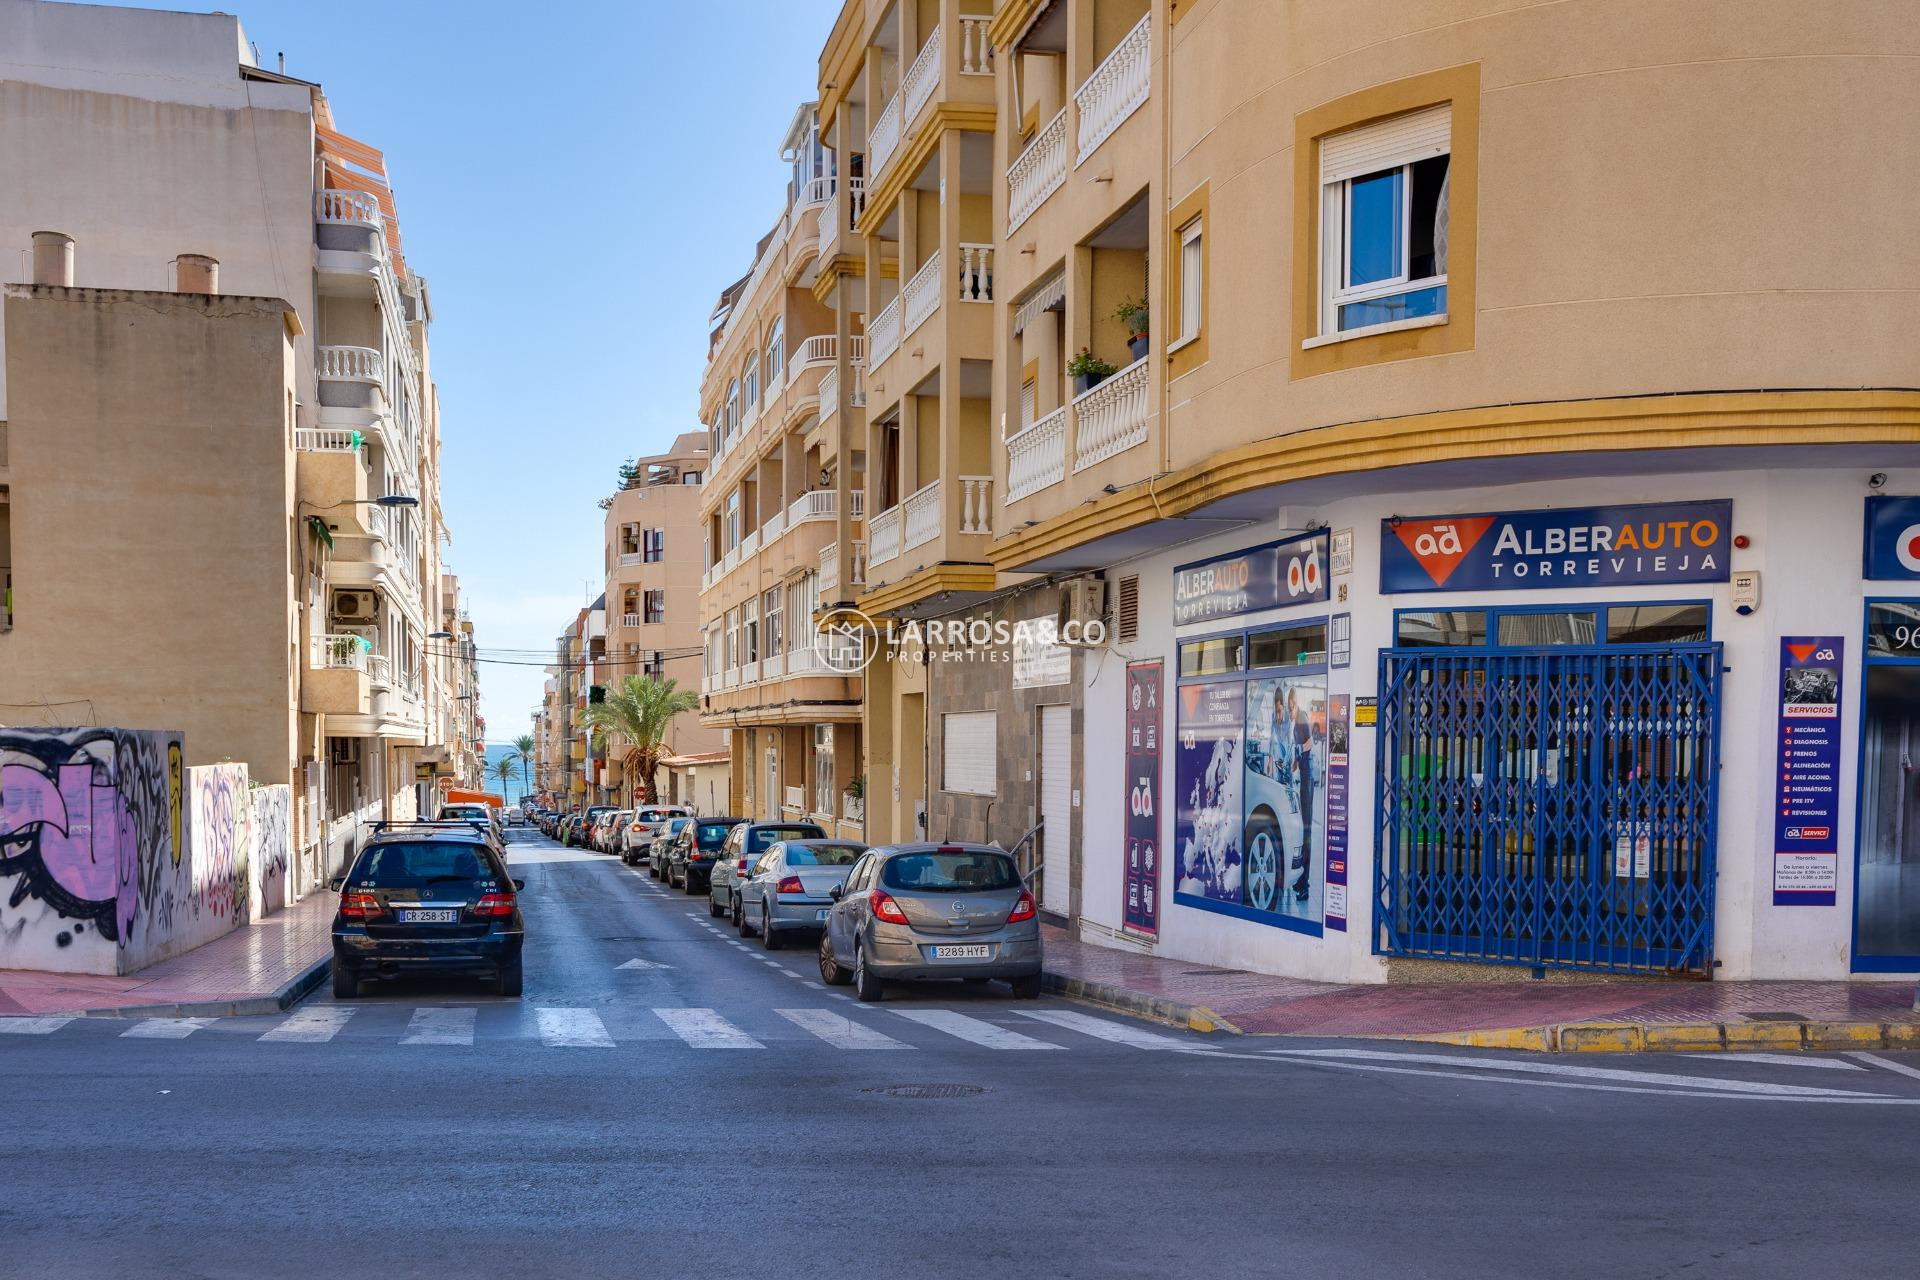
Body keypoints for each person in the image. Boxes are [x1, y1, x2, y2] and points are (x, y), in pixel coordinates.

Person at [1291, 689, 1315, 902]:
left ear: (1295, 703)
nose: (1290, 710)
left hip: (1308, 778)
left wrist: (1298, 754)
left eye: (1291, 706)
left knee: (1307, 829)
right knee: (1303, 829)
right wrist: (1294, 763)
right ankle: (1302, 879)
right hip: (1303, 773)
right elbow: (1301, 751)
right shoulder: (1296, 719)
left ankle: (1305, 884)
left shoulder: (1302, 717)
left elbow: (1309, 744)